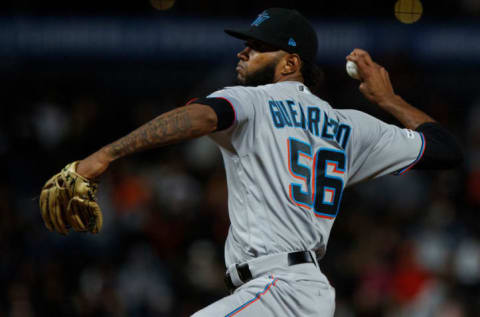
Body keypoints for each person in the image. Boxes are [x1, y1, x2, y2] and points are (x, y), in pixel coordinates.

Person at [68, 8, 463, 316]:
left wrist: (104, 155)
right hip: (294, 292)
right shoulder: (352, 126)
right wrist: (388, 101)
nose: (243, 51)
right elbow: (444, 148)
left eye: (257, 46)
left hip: (280, 288)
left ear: (290, 64)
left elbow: (203, 116)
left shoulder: (255, 101)